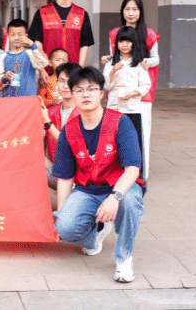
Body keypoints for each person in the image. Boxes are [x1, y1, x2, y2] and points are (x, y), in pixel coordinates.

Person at [52, 67, 145, 283]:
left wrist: (115, 197)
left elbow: (133, 169)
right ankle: (95, 235)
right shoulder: (69, 130)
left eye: (91, 89)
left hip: (121, 186)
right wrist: (61, 216)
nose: (85, 94)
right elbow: (64, 177)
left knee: (129, 202)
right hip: (88, 189)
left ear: (101, 93)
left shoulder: (120, 122)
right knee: (65, 227)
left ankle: (124, 258)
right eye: (79, 90)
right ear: (72, 94)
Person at [101, 0, 159, 181]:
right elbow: (114, 57)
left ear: (140, 11)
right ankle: (116, 170)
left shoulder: (149, 34)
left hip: (140, 92)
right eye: (127, 9)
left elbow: (156, 58)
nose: (131, 13)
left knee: (141, 132)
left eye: (135, 9)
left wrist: (147, 62)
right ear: (122, 11)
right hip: (118, 93)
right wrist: (108, 60)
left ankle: (141, 173)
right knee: (115, 133)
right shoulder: (114, 33)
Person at [28, 0, 94, 66]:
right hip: (49, 70)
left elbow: (84, 45)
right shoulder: (42, 13)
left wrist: (79, 70)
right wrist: (42, 70)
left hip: (73, 70)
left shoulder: (81, 14)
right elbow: (38, 44)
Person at [102, 26, 151, 161]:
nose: (124, 45)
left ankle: (135, 168)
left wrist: (132, 94)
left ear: (134, 43)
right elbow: (106, 86)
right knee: (112, 141)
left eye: (128, 42)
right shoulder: (110, 62)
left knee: (133, 141)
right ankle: (114, 169)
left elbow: (146, 85)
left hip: (132, 108)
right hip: (114, 108)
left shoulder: (138, 63)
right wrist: (113, 71)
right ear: (116, 43)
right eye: (121, 41)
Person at [42, 62, 82, 189]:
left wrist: (46, 121)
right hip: (60, 173)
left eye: (70, 81)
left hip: (83, 178)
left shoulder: (86, 112)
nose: (65, 86)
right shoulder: (51, 112)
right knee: (33, 159)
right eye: (62, 81)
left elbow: (67, 145)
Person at [0, 19, 48, 97]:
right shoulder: (3, 57)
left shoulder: (30, 53)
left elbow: (44, 63)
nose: (16, 38)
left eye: (20, 35)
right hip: (10, 100)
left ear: (26, 36)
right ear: (8, 36)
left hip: (28, 100)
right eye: (12, 35)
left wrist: (32, 44)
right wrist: (4, 77)